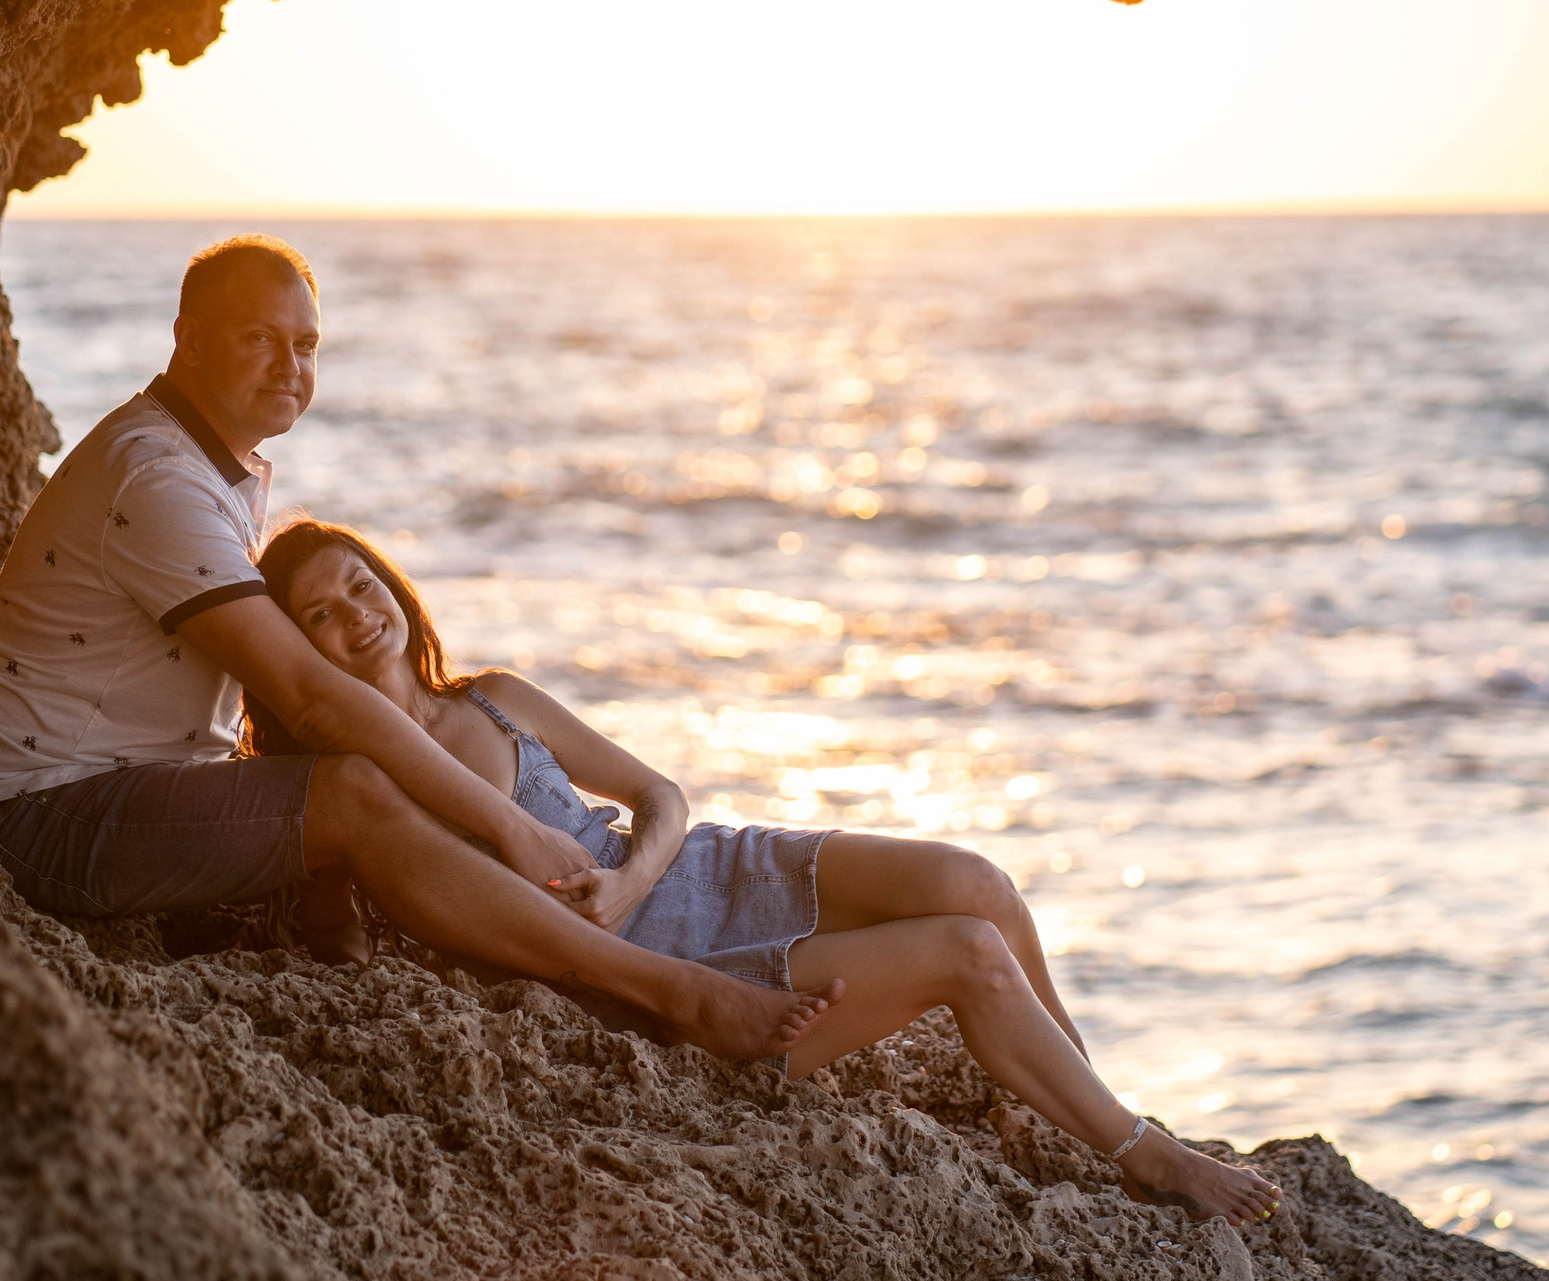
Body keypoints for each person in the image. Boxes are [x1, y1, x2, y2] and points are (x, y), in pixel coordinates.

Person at [0, 235, 840, 1064]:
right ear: (186, 337)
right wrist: (512, 827)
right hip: (40, 816)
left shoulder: (207, 460)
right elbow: (308, 693)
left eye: (305, 344)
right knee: (353, 790)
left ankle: (390, 943)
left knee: (350, 785)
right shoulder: (159, 477)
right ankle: (672, 993)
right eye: (258, 338)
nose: (289, 366)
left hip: (115, 790)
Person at [249, 518, 1284, 1226]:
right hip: (671, 960)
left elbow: (660, 793)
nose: (356, 612)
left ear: (393, 583)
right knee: (967, 954)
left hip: (699, 867)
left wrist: (631, 872)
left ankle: (1092, 1099)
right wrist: (609, 914)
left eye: (358, 581)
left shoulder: (497, 696)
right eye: (320, 615)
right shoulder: (367, 784)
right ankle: (1143, 1153)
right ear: (295, 657)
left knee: (979, 882)